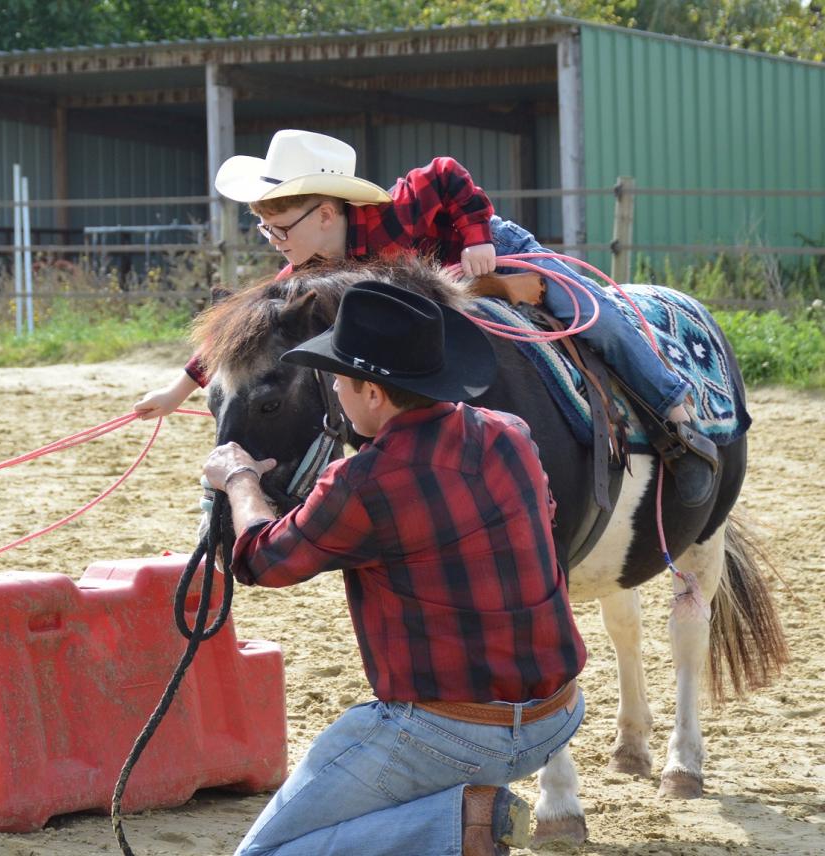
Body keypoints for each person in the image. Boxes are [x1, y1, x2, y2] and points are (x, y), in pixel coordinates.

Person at [203, 274, 587, 856]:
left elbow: (263, 560)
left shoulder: (363, 482)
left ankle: (463, 826)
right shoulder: (510, 435)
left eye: (337, 379)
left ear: (373, 394)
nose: (332, 389)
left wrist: (239, 478)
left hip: (447, 729)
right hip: (555, 715)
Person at [137, 129, 717, 506]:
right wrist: (174, 390)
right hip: (434, 283)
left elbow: (449, 174)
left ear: (326, 211)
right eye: (266, 229)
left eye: (280, 228)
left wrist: (473, 239)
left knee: (587, 312)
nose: (273, 242)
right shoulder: (312, 264)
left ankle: (673, 417)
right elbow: (251, 337)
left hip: (488, 248)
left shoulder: (400, 205)